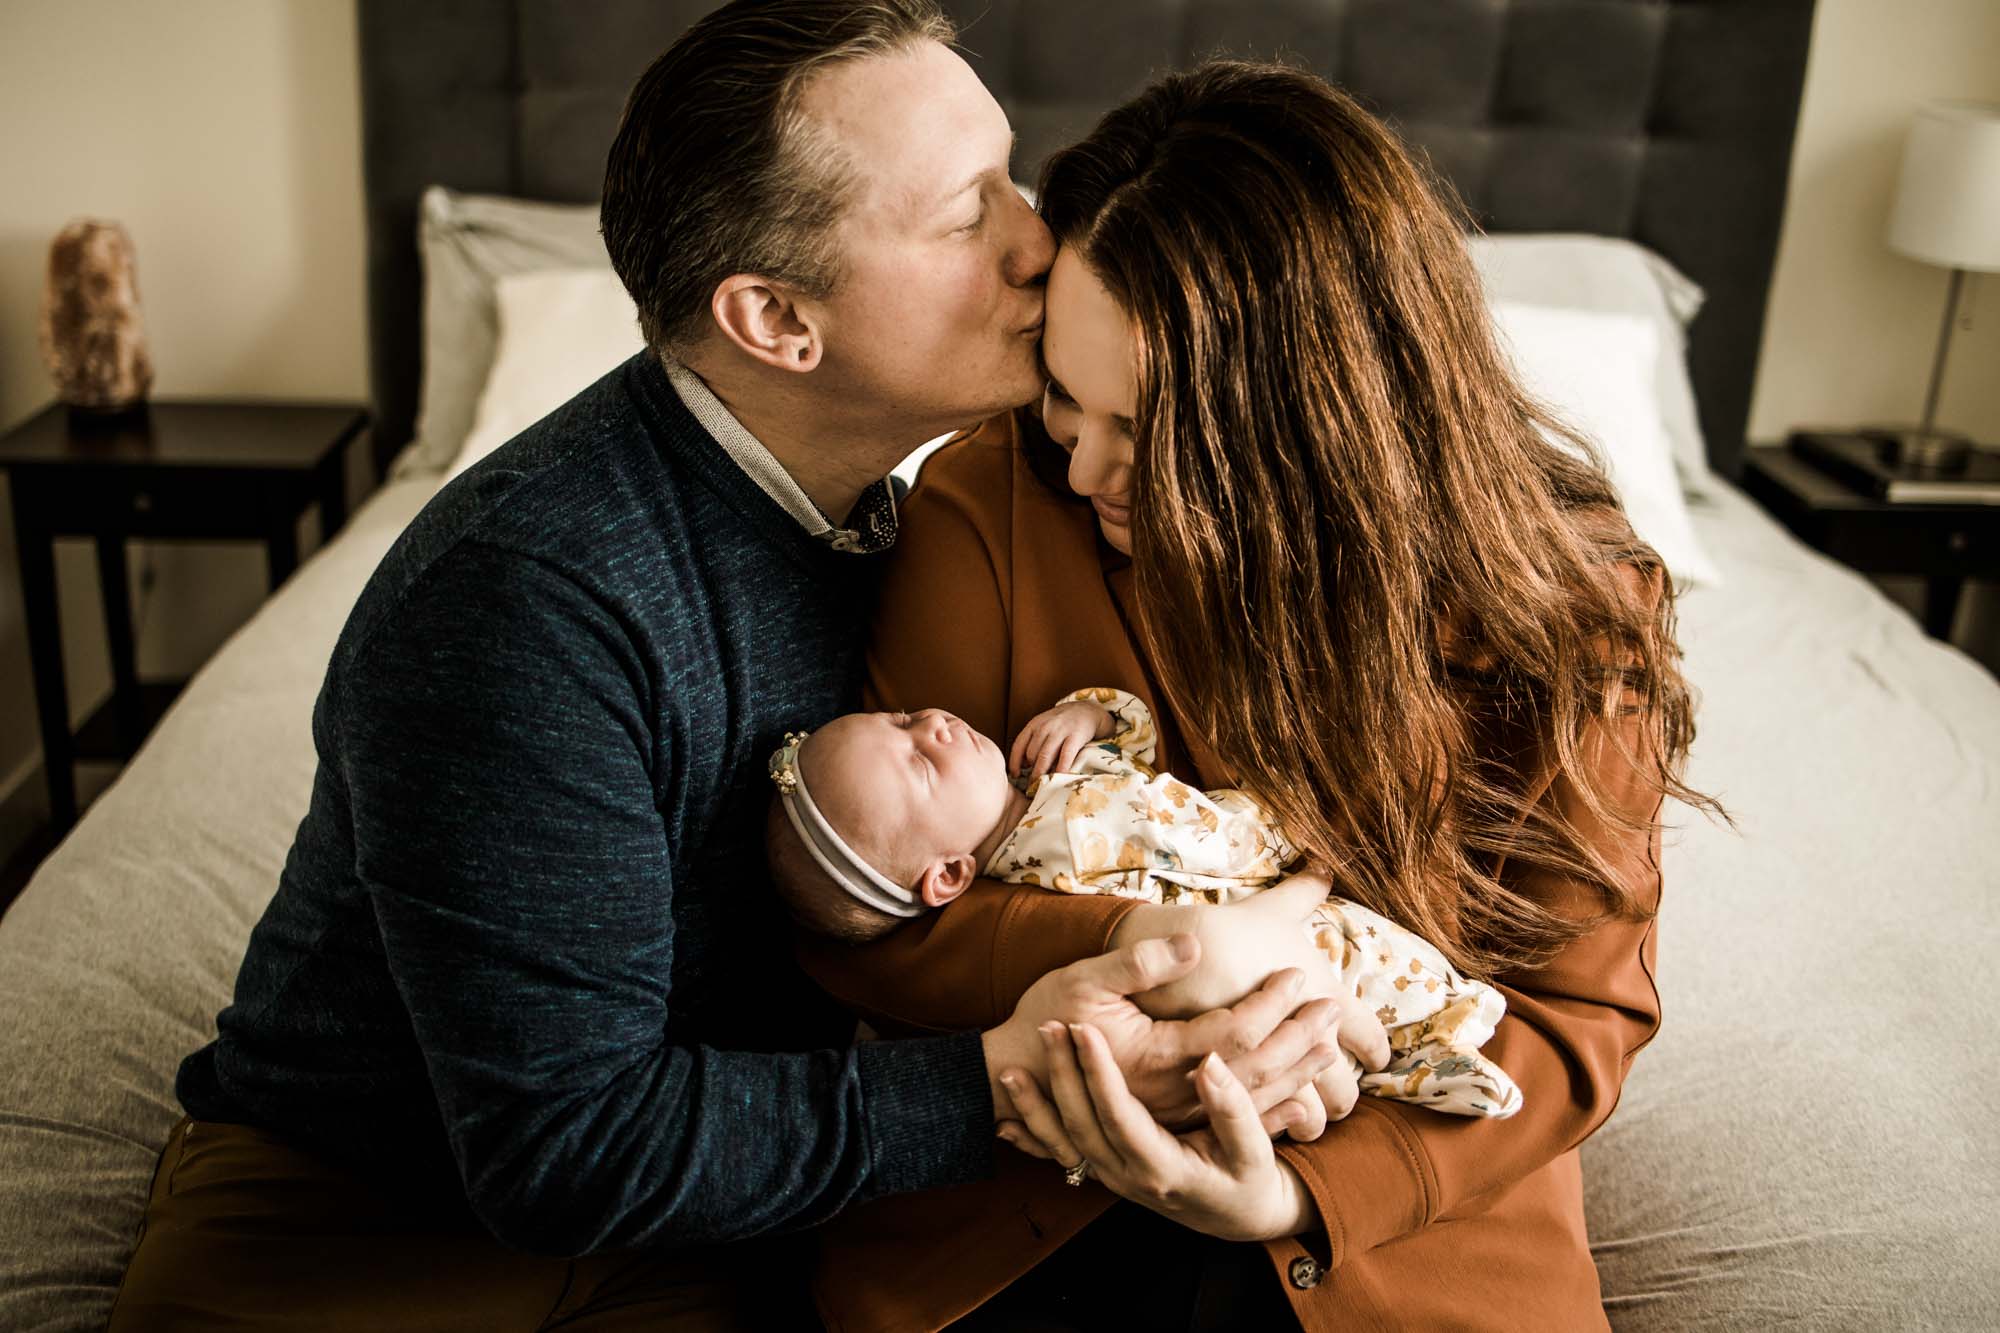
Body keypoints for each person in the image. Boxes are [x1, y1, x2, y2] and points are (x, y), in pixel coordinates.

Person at [106, 10, 1381, 1329]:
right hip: (373, 1221)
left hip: (743, 1196)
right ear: (774, 318)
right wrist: (1010, 1072)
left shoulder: (987, 496)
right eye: (963, 217)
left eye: (1013, 171)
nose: (1039, 238)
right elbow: (566, 1149)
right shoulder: (532, 604)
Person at [800, 59, 1705, 1332]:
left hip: (1397, 1238)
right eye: (1066, 392)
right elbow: (878, 914)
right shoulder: (988, 505)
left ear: (1313, 431)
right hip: (1022, 1212)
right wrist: (1160, 962)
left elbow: (1576, 1020)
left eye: (1153, 428)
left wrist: (1288, 1197)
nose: (1086, 464)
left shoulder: (1568, 606)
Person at [765, 687, 1522, 1120]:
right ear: (949, 876)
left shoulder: (1044, 764)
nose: (930, 727)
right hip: (1261, 915)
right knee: (1363, 968)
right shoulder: (1028, 886)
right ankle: (1428, 1055)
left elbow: (1137, 740)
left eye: (902, 721)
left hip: (1262, 831)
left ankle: (1436, 1033)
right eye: (921, 765)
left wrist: (1090, 715)